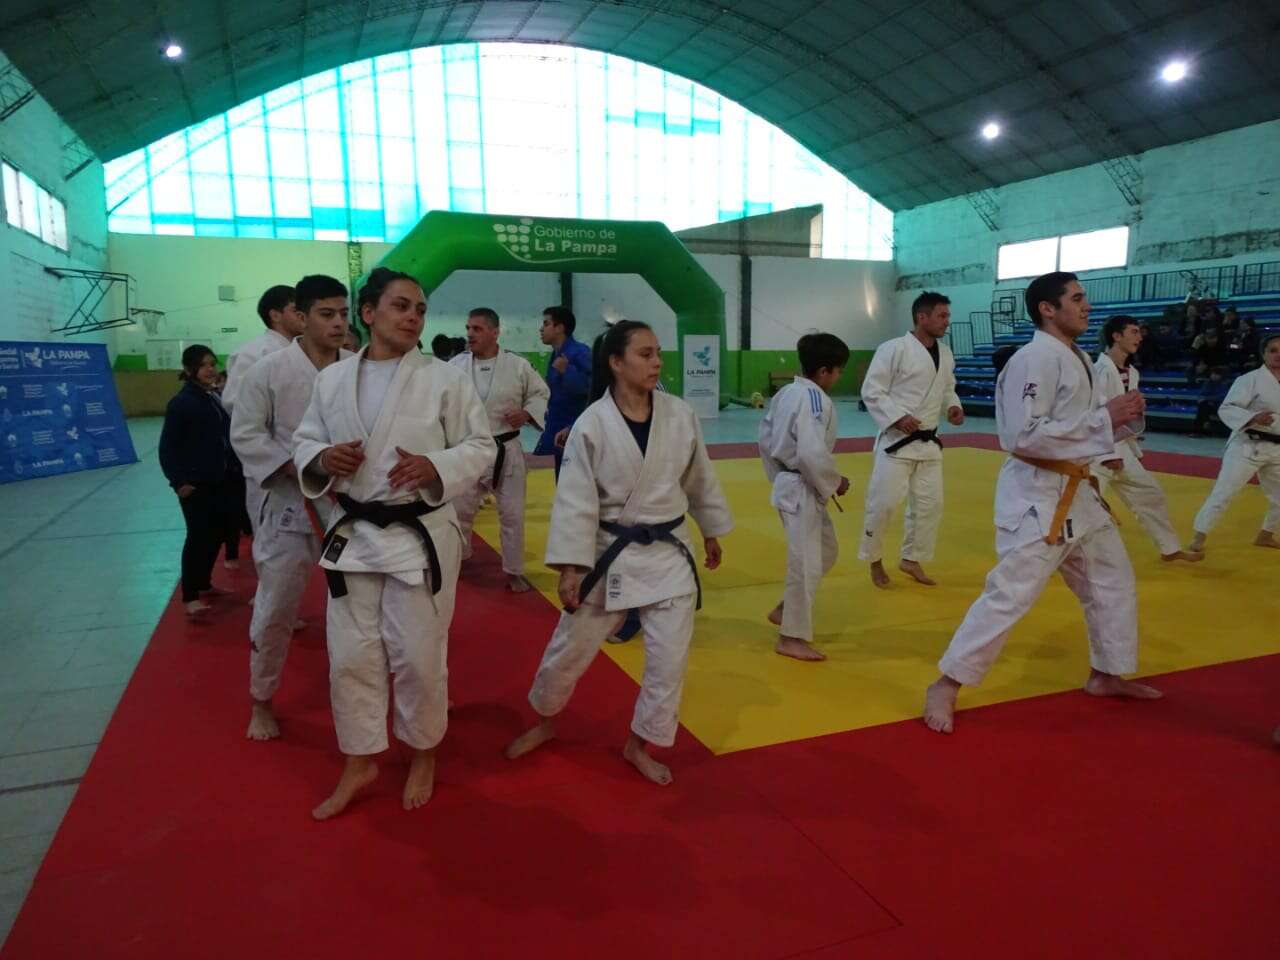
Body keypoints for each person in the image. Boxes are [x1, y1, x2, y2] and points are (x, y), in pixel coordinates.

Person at [292, 267, 495, 819]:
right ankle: (359, 760)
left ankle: (423, 751)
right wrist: (321, 458)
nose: (413, 317)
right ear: (369, 313)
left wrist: (436, 465)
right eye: (401, 306)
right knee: (350, 657)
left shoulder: (444, 379)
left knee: (419, 658)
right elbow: (306, 438)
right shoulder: (332, 380)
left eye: (420, 309)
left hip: (418, 534)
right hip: (355, 534)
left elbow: (481, 446)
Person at [922, 272, 1158, 735]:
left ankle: (1106, 673)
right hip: (1039, 494)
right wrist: (1104, 419)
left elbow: (1083, 426)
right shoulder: (1033, 360)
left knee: (1112, 580)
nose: (1087, 306)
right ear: (1047, 309)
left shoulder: (1078, 359)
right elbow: (1021, 436)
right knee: (1010, 593)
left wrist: (1121, 421)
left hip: (1080, 491)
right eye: (1077, 298)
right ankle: (946, 683)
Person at [505, 321, 732, 785]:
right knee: (569, 650)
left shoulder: (679, 414)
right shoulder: (593, 424)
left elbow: (699, 476)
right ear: (616, 362)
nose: (657, 362)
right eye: (646, 354)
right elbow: (575, 501)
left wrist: (710, 528)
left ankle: (639, 744)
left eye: (658, 353)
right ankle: (545, 720)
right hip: (610, 554)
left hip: (669, 552)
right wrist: (571, 568)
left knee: (668, 662)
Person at [230, 274, 353, 742]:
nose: (338, 323)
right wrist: (298, 466)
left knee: (357, 608)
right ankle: (261, 699)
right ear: (301, 317)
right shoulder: (268, 369)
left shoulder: (357, 367)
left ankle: (358, 690)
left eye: (343, 313)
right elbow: (245, 433)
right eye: (327, 314)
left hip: (347, 506)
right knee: (276, 607)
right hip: (288, 503)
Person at [858, 292, 964, 587]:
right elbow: (872, 390)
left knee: (930, 506)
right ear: (922, 317)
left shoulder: (946, 353)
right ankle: (874, 560)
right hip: (897, 442)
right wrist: (897, 417)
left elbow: (947, 388)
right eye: (942, 316)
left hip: (929, 444)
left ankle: (912, 559)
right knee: (883, 505)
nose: (947, 321)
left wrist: (953, 406)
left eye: (947, 315)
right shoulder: (893, 349)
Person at [759, 333, 850, 661]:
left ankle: (787, 608)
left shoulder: (786, 392)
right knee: (806, 562)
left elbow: (764, 437)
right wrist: (835, 481)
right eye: (838, 371)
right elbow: (811, 452)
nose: (838, 377)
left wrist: (778, 476)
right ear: (824, 371)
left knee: (826, 550)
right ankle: (791, 637)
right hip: (800, 485)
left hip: (794, 482)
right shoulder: (813, 398)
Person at [450, 307, 550, 593]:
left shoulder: (518, 366)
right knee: (459, 511)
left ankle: (514, 571)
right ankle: (458, 559)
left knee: (512, 514)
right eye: (468, 328)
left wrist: (527, 414)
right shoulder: (454, 366)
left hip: (507, 448)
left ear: (495, 332)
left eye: (477, 329)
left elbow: (541, 393)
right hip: (468, 447)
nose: (470, 334)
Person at [1093, 316, 1199, 562]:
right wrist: (1109, 455)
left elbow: (1126, 417)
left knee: (1149, 493)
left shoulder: (1132, 372)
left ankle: (1169, 549)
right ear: (1116, 336)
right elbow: (1094, 415)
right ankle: (1052, 557)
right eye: (1133, 332)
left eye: (1139, 332)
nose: (1139, 337)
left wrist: (1133, 447)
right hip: (1096, 452)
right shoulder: (1099, 371)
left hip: (1122, 446)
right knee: (1085, 507)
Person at [158, 345, 240, 617]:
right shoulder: (182, 403)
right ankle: (190, 595)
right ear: (189, 369)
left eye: (212, 364)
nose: (210, 370)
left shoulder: (212, 396)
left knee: (216, 534)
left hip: (219, 479)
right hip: (195, 484)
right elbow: (167, 447)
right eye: (203, 365)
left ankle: (204, 583)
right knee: (197, 537)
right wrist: (179, 482)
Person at [1186, 335, 1280, 555]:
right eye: (1273, 350)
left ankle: (1266, 534)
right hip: (1247, 445)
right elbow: (1227, 408)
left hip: (1277, 448)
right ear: (1263, 354)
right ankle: (1199, 535)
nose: (1278, 355)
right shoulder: (1250, 380)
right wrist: (1254, 417)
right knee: (1224, 493)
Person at [533, 306, 592, 477]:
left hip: (575, 427)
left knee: (577, 482)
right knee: (563, 482)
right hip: (559, 427)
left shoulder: (580, 352)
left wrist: (567, 371)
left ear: (559, 327)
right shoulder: (557, 354)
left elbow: (592, 390)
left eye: (546, 324)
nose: (541, 329)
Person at [222, 285, 300, 412]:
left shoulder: (301, 350)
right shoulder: (252, 353)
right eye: (296, 310)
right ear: (275, 315)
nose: (303, 316)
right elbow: (234, 402)